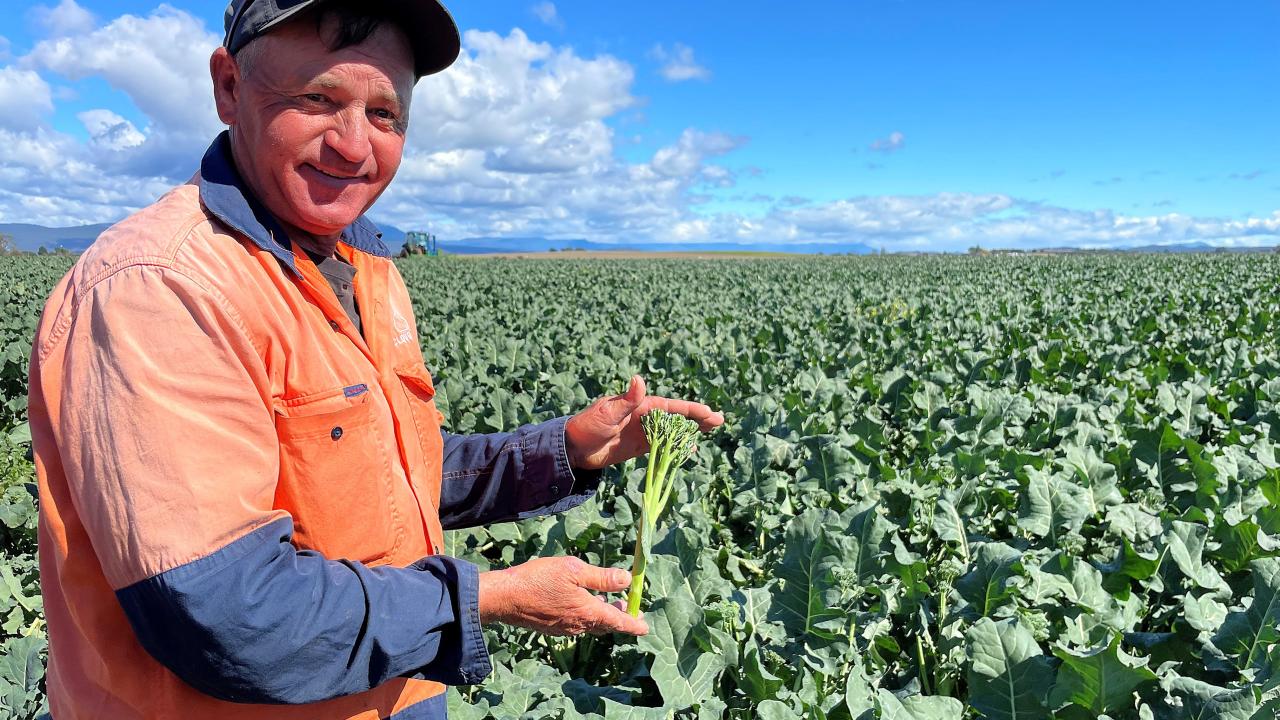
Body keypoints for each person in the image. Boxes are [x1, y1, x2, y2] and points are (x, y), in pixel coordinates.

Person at [25, 1, 724, 718]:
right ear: (228, 86)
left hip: (397, 688)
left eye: (386, 115)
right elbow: (226, 611)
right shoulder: (161, 288)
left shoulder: (362, 266)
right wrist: (483, 601)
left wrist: (570, 449)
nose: (355, 145)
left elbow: (387, 475)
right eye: (318, 99)